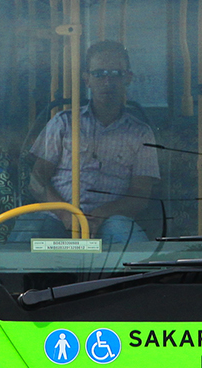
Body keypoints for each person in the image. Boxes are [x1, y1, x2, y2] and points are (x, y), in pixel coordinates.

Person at [28, 41, 159, 246]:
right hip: (57, 215)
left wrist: (101, 214)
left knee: (132, 244)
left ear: (128, 78)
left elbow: (140, 195)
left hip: (112, 219)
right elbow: (37, 179)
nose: (108, 81)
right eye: (99, 74)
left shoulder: (140, 133)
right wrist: (66, 214)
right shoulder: (63, 122)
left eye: (116, 73)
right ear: (86, 79)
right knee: (25, 235)